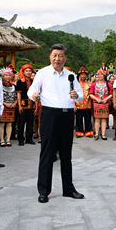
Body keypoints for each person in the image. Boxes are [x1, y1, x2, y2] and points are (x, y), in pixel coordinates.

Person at [30, 44, 84, 203]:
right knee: (47, 152)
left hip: (67, 116)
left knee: (66, 153)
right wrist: (34, 95)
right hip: (49, 114)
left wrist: (76, 95)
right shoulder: (42, 73)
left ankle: (68, 189)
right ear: (50, 56)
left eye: (60, 56)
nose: (57, 58)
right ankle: (43, 191)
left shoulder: (71, 75)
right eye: (54, 55)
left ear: (65, 58)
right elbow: (32, 90)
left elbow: (80, 95)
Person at [15, 64, 36, 145]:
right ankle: (20, 139)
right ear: (23, 72)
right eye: (26, 71)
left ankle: (29, 138)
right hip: (23, 104)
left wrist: (36, 106)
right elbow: (19, 94)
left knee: (30, 123)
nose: (28, 72)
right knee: (21, 123)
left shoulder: (34, 82)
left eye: (30, 71)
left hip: (32, 104)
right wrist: (19, 106)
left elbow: (36, 94)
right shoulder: (20, 82)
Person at [90, 70, 112, 140]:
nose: (99, 76)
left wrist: (106, 99)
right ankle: (96, 133)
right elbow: (90, 94)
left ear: (104, 75)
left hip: (105, 104)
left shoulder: (108, 84)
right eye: (98, 74)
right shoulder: (94, 85)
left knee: (104, 119)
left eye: (101, 74)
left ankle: (103, 134)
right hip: (96, 103)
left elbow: (111, 94)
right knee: (97, 119)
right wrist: (96, 99)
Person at [0, 67, 18, 147]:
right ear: (3, 76)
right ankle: (2, 140)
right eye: (6, 75)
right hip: (3, 106)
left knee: (9, 123)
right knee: (2, 124)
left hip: (12, 106)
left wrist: (15, 103)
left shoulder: (13, 86)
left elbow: (17, 96)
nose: (8, 77)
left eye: (9, 75)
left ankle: (8, 140)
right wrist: (5, 103)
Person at [75, 67, 93, 137]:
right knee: (78, 119)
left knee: (88, 119)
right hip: (78, 104)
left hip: (87, 104)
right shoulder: (76, 84)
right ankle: (79, 132)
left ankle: (88, 131)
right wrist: (74, 105)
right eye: (82, 74)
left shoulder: (89, 84)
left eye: (84, 74)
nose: (83, 76)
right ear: (79, 75)